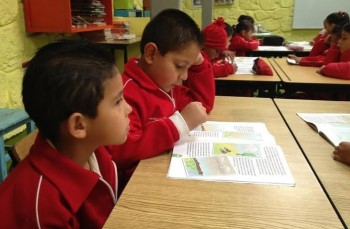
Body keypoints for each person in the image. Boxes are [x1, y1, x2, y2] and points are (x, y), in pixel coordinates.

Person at [0, 39, 132, 228]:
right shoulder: (44, 208)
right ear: (79, 126)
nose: (129, 109)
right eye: (118, 101)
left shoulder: (93, 151)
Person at [106, 9, 215, 192]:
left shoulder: (165, 85)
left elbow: (202, 105)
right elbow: (121, 149)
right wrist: (179, 124)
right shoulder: (125, 94)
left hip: (165, 175)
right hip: (136, 190)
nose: (185, 75)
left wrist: (199, 63)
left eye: (188, 67)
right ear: (150, 54)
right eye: (180, 66)